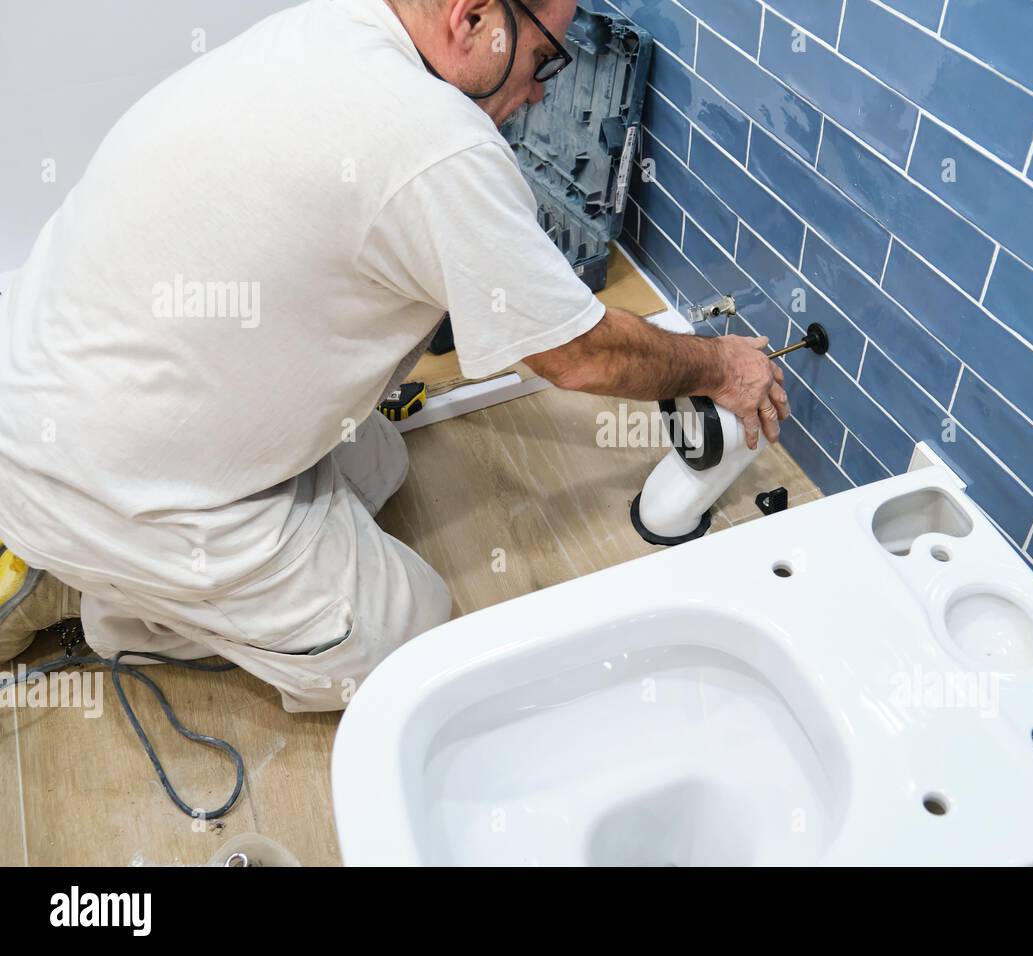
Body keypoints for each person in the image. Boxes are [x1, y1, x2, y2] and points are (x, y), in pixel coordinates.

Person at [0, 0, 788, 711]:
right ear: (476, 18)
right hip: (104, 477)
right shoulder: (433, 145)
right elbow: (578, 354)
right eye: (547, 59)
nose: (546, 89)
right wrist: (718, 365)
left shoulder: (333, 27)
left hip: (54, 381)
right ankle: (81, 593)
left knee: (377, 465)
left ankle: (102, 562)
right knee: (408, 636)